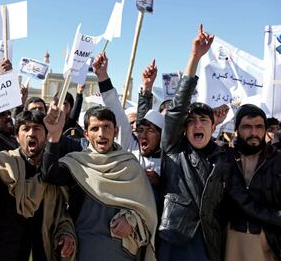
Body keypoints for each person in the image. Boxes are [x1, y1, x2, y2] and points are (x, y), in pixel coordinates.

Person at [42, 103, 157, 261]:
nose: (102, 134)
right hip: (85, 251)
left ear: (116, 131)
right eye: (95, 128)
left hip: (122, 254)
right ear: (86, 134)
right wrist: (53, 136)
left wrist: (132, 219)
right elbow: (49, 174)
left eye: (107, 127)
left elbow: (148, 213)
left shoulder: (130, 166)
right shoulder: (77, 163)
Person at [157, 25, 230, 261]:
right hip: (174, 238)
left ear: (213, 127)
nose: (198, 125)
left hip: (208, 243)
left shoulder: (224, 159)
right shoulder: (173, 149)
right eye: (192, 121)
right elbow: (177, 108)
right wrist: (195, 57)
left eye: (203, 120)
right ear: (183, 128)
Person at [0, 110, 76, 261]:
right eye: (25, 129)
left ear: (46, 135)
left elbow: (61, 214)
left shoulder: (55, 172)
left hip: (43, 253)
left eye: (37, 128)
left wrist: (66, 234)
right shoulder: (4, 163)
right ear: (17, 137)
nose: (31, 134)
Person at [92, 54, 165, 187]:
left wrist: (160, 184)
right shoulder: (130, 145)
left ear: (161, 136)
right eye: (141, 130)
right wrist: (102, 75)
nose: (143, 134)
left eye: (151, 130)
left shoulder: (170, 161)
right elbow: (114, 106)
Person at [223, 105, 281, 260]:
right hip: (229, 244)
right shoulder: (223, 158)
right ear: (236, 130)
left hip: (268, 246)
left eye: (259, 127)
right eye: (247, 127)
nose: (254, 133)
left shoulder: (278, 160)